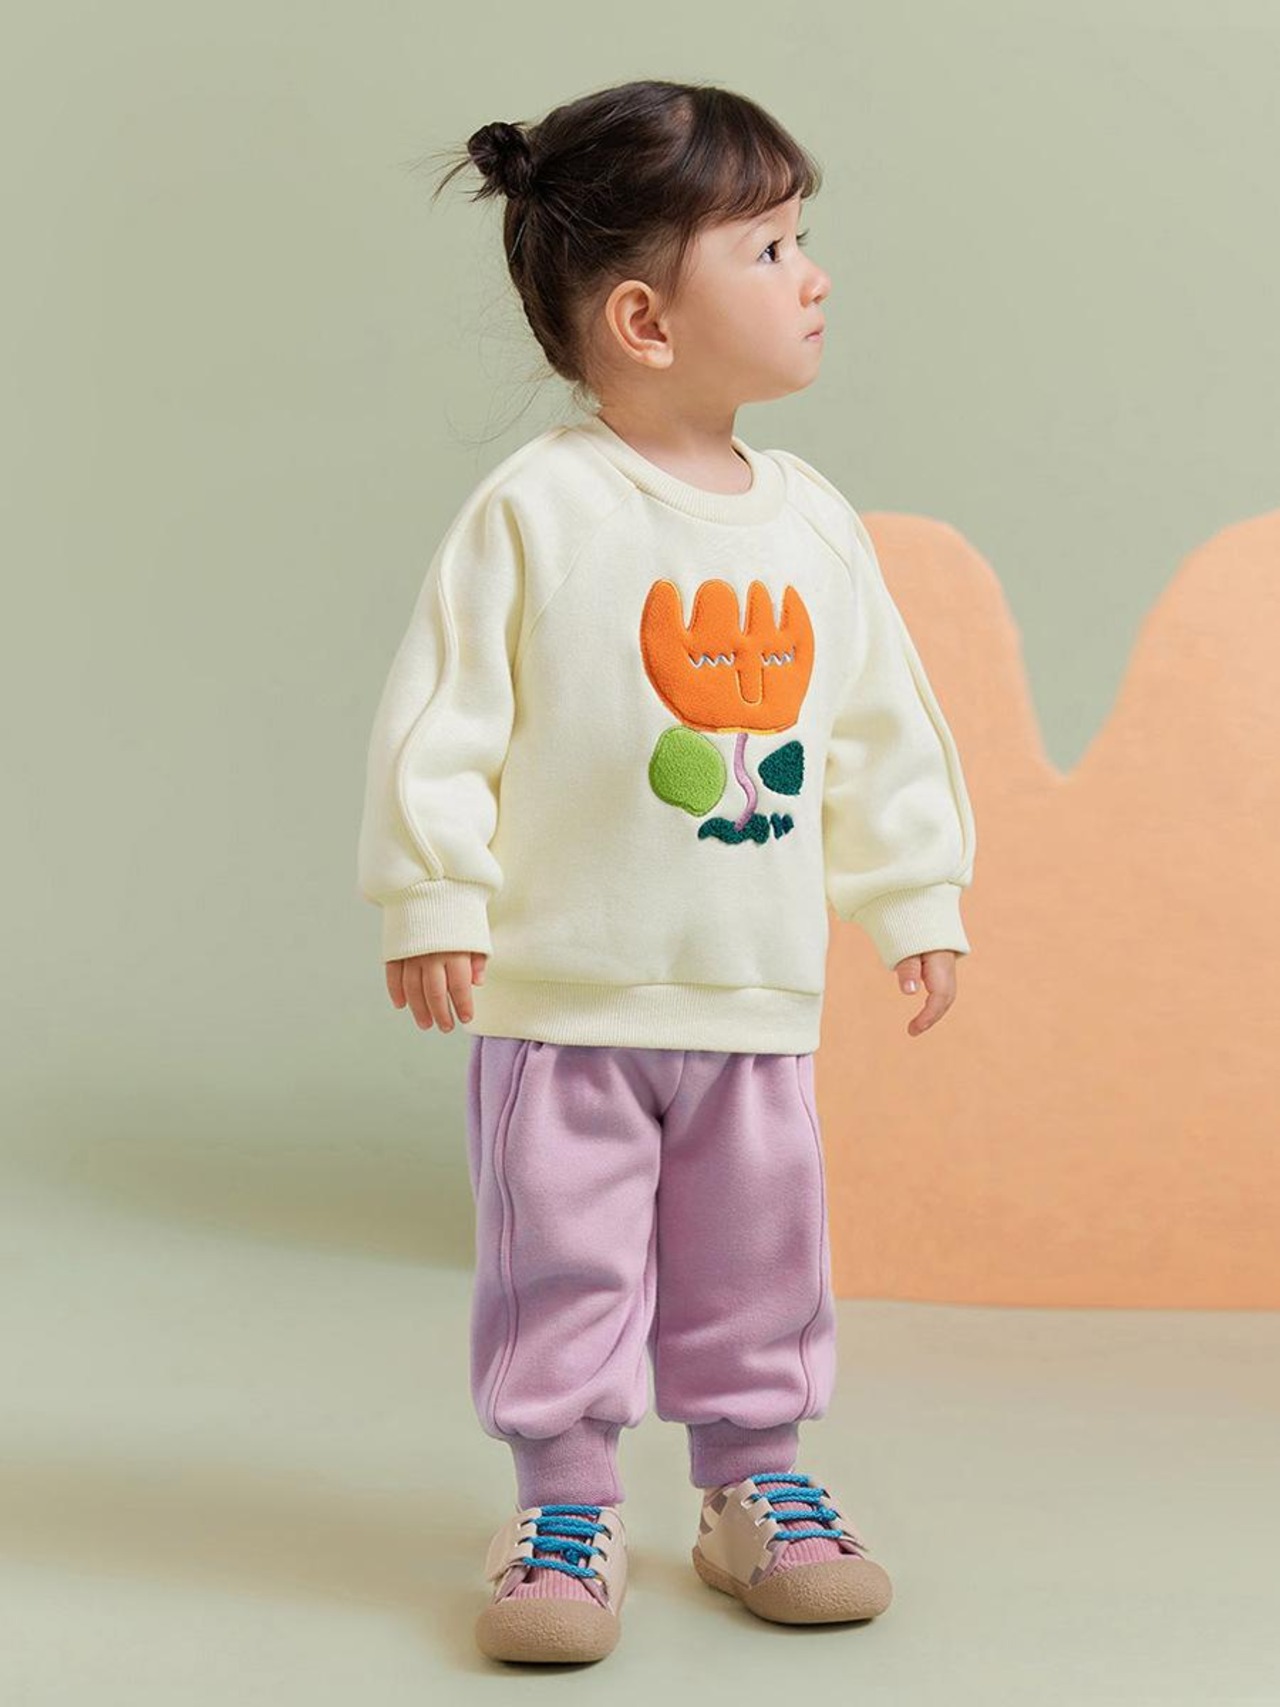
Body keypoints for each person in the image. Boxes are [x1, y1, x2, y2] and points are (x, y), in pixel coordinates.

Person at [356, 78, 977, 1665]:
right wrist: (433, 895)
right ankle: (562, 1503)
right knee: (559, 1262)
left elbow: (881, 730)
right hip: (564, 998)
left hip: (750, 1001)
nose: (813, 276)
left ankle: (751, 1484)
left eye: (801, 239)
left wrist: (914, 896)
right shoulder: (539, 511)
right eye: (770, 249)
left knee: (757, 1262)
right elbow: (443, 718)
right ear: (643, 319)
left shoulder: (813, 524)